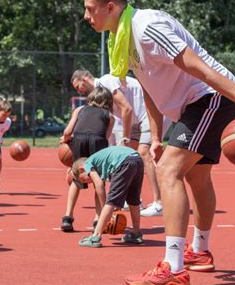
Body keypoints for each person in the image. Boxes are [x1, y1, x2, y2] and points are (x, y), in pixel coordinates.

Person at [80, 0, 235, 285]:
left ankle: (173, 268)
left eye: (90, 9)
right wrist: (156, 136)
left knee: (168, 170)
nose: (86, 16)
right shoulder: (123, 37)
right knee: (197, 178)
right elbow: (151, 90)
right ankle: (199, 251)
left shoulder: (146, 26)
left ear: (110, 6)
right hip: (195, 104)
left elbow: (202, 68)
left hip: (209, 96)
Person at [71, 70, 165, 217]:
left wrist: (125, 139)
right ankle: (134, 200)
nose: (79, 91)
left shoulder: (106, 81)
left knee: (144, 153)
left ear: (84, 79)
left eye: (78, 87)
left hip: (148, 112)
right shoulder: (98, 94)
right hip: (135, 120)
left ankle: (159, 203)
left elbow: (126, 108)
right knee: (130, 160)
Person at [59, 87, 114, 232]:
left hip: (79, 140)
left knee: (76, 180)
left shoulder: (79, 110)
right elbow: (105, 137)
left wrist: (64, 140)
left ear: (90, 98)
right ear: (108, 101)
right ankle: (97, 219)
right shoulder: (109, 116)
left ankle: (67, 217)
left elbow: (67, 132)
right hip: (98, 141)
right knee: (98, 181)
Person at [71, 145, 144, 248]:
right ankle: (136, 233)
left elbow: (99, 185)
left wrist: (105, 207)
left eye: (83, 180)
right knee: (133, 200)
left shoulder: (87, 164)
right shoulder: (99, 162)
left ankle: (95, 237)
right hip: (137, 159)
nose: (87, 182)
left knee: (111, 201)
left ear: (82, 169)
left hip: (123, 161)